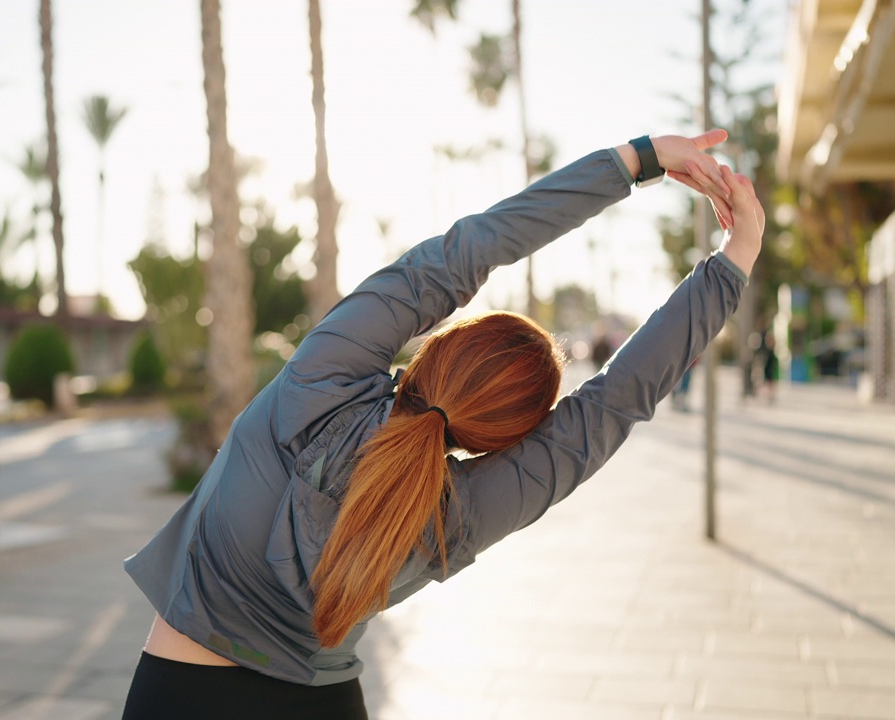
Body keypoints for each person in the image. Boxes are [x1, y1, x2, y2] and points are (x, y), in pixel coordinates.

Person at [121, 130, 764, 719]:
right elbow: (611, 406)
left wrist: (637, 159)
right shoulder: (457, 514)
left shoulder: (325, 378)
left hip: (180, 691)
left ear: (442, 346)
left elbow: (469, 250)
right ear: (506, 435)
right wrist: (733, 262)